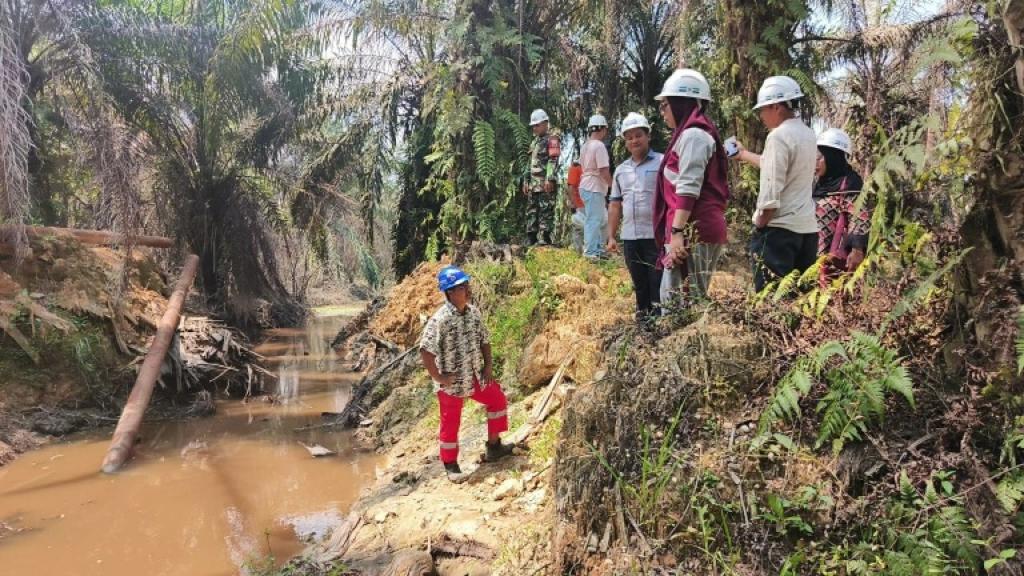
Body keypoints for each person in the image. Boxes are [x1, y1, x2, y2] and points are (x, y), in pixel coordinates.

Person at [419, 266, 514, 482]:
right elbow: (425, 350)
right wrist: (439, 378)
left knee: (497, 399)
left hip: (475, 376)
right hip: (452, 383)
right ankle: (451, 465)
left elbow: (485, 340)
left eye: (466, 285)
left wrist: (488, 366)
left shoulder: (473, 313)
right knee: (450, 423)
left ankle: (494, 446)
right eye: (462, 287)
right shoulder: (440, 319)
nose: (467, 290)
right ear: (450, 292)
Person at [731, 75, 818, 292]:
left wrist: (761, 223)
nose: (761, 115)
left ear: (777, 107)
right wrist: (742, 154)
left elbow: (771, 191)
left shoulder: (778, 136)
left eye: (763, 110)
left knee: (771, 302)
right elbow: (776, 167)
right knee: (799, 299)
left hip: (778, 232)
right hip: (806, 231)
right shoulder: (808, 134)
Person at [653, 69, 730, 306]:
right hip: (688, 229)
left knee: (680, 304)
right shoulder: (688, 134)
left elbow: (688, 188)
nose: (662, 112)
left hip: (692, 231)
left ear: (679, 103)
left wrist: (677, 234)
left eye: (664, 105)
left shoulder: (694, 136)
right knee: (681, 300)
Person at [607, 112, 663, 321]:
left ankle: (660, 325)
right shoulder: (621, 170)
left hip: (655, 236)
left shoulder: (662, 162)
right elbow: (614, 204)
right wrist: (611, 236)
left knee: (657, 281)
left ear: (648, 136)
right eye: (629, 138)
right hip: (630, 237)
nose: (634, 141)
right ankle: (643, 325)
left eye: (638, 135)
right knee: (639, 283)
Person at [814, 128, 870, 282]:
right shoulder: (818, 183)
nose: (815, 162)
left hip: (832, 258)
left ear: (833, 157)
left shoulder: (850, 183)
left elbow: (859, 216)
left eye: (819, 158)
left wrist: (857, 249)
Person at [524, 109, 561, 246]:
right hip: (533, 184)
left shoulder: (552, 139)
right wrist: (526, 180)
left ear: (545, 123)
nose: (534, 128)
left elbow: (553, 160)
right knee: (531, 210)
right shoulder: (534, 142)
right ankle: (531, 237)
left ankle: (545, 237)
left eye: (537, 125)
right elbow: (529, 163)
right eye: (533, 126)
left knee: (546, 210)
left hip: (545, 182)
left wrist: (549, 178)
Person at [579, 114, 612, 259]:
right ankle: (591, 251)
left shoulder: (585, 146)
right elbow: (604, 170)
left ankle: (597, 249)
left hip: (587, 185)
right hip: (594, 186)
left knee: (599, 218)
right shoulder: (599, 146)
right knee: (594, 219)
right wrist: (613, 186)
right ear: (603, 129)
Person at [566, 161, 585, 253]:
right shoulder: (575, 168)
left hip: (589, 203)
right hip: (579, 203)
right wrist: (573, 203)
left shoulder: (590, 168)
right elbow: (571, 187)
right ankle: (578, 253)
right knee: (579, 228)